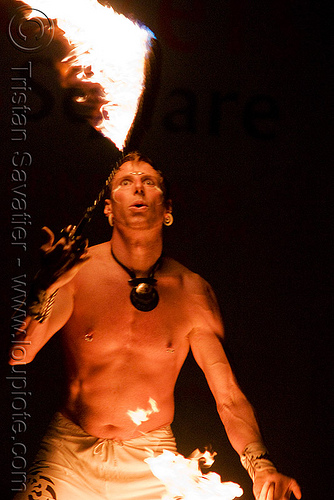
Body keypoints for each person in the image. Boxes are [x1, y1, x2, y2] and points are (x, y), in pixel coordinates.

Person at [9, 152, 301, 500]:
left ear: (167, 209)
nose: (138, 189)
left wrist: (261, 468)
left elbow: (228, 396)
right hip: (69, 455)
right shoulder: (77, 273)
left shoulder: (191, 290)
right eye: (125, 182)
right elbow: (19, 355)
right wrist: (44, 287)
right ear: (107, 208)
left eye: (149, 182)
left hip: (152, 462)